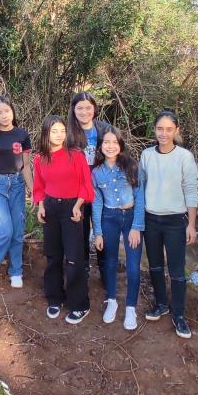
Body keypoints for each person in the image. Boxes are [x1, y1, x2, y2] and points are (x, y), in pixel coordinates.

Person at [139, 109, 198, 339]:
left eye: (168, 129)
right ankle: (161, 304)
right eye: (160, 129)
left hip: (175, 221)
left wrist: (191, 224)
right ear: (154, 130)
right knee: (155, 266)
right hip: (151, 219)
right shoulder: (146, 155)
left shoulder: (184, 157)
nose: (163, 133)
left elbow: (191, 190)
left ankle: (179, 314)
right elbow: (140, 188)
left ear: (176, 131)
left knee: (176, 270)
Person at [33, 115, 94, 325]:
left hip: (71, 209)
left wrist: (78, 205)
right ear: (46, 133)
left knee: (74, 258)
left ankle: (79, 304)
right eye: (54, 131)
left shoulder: (75, 155)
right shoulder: (40, 158)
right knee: (53, 255)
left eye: (62, 130)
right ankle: (54, 297)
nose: (59, 135)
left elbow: (86, 184)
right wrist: (41, 206)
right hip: (50, 208)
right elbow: (39, 186)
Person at [92, 127, 145, 329]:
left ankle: (131, 307)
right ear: (100, 146)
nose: (110, 146)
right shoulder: (97, 173)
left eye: (115, 142)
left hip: (130, 218)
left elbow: (140, 198)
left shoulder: (132, 167)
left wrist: (137, 227)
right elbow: (97, 202)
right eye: (106, 142)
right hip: (109, 218)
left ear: (120, 145)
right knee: (110, 262)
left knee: (133, 266)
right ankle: (112, 301)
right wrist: (97, 232)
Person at [0, 96, 33, 289]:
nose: (4, 115)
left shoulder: (22, 134)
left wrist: (33, 189)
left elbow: (26, 166)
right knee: (4, 231)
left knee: (17, 231)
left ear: (13, 112)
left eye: (7, 111)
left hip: (17, 185)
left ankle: (16, 271)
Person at [65, 92, 112, 282]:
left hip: (101, 188)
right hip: (77, 191)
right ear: (73, 110)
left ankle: (105, 270)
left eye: (88, 108)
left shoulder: (105, 129)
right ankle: (82, 268)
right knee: (80, 231)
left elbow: (116, 155)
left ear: (94, 109)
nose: (84, 112)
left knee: (102, 229)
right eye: (80, 108)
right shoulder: (67, 132)